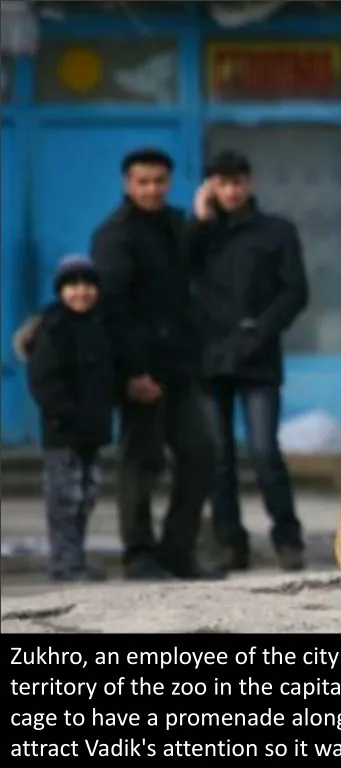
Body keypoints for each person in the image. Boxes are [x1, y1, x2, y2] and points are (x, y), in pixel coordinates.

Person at [91, 147, 220, 581]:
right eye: (143, 182)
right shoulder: (116, 235)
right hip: (140, 370)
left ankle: (177, 551)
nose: (151, 190)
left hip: (179, 366)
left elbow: (193, 267)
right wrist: (132, 372)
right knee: (141, 462)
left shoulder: (173, 224)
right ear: (128, 183)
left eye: (159, 181)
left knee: (201, 453)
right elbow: (113, 309)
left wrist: (202, 221)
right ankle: (139, 555)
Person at [191, 151, 309, 572]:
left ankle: (288, 539)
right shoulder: (199, 235)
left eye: (237, 182)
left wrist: (259, 331)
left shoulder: (276, 232)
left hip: (259, 358)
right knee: (217, 457)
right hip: (209, 360)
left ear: (250, 182)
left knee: (263, 453)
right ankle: (230, 544)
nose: (231, 191)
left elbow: (295, 291)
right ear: (210, 187)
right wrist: (200, 221)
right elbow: (176, 273)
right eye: (222, 183)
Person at [24, 255, 116, 582]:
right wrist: (64, 415)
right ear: (61, 291)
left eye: (88, 284)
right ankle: (65, 563)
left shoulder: (99, 326)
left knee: (86, 497)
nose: (82, 292)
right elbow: (45, 381)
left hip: (91, 432)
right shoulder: (54, 329)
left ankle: (74, 557)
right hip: (62, 433)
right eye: (73, 285)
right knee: (64, 500)